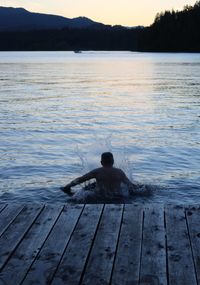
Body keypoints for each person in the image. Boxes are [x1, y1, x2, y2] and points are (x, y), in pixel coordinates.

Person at [61, 152, 136, 197]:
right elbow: (130, 185)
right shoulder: (119, 172)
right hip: (117, 197)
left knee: (90, 186)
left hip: (100, 196)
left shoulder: (97, 172)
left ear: (101, 162)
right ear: (113, 161)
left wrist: (67, 186)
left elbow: (80, 180)